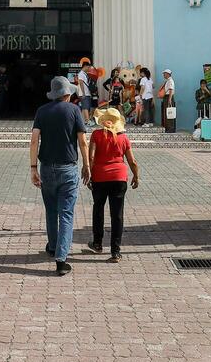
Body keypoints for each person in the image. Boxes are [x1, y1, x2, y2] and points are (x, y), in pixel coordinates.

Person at [30, 76, 90, 275]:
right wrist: (87, 165)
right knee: (66, 213)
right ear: (67, 93)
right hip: (68, 168)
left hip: (47, 167)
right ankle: (61, 258)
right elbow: (82, 141)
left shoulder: (41, 111)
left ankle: (53, 246)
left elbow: (34, 141)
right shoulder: (74, 110)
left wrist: (33, 168)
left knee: (51, 210)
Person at [85, 106, 139, 261]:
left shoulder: (96, 135)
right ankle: (115, 251)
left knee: (98, 209)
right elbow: (132, 161)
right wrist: (136, 176)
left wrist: (89, 173)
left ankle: (97, 243)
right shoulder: (124, 138)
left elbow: (91, 157)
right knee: (117, 214)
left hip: (99, 177)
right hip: (119, 178)